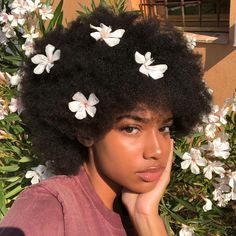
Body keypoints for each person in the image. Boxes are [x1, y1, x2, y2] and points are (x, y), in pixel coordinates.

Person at [0, 6, 211, 236]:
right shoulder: (50, 209)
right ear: (86, 131)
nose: (157, 150)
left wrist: (146, 217)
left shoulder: (136, 209)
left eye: (164, 128)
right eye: (131, 128)